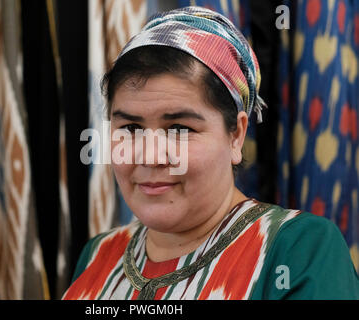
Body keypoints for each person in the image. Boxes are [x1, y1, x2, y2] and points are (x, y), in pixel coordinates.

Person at [62, 6, 359, 300]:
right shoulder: (98, 254)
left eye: (179, 128)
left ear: (236, 135)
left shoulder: (298, 249)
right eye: (129, 128)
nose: (150, 156)